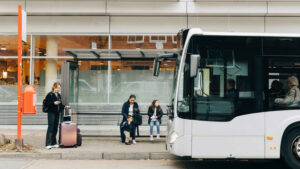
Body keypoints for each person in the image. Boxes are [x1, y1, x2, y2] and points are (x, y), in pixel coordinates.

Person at [44, 82, 69, 150]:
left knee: (55, 127)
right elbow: (46, 104)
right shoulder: (50, 95)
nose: (58, 89)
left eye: (59, 88)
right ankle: (48, 144)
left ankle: (53, 143)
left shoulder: (59, 95)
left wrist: (64, 106)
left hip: (57, 113)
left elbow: (60, 105)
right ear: (54, 87)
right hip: (51, 113)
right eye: (57, 88)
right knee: (50, 127)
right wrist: (53, 103)